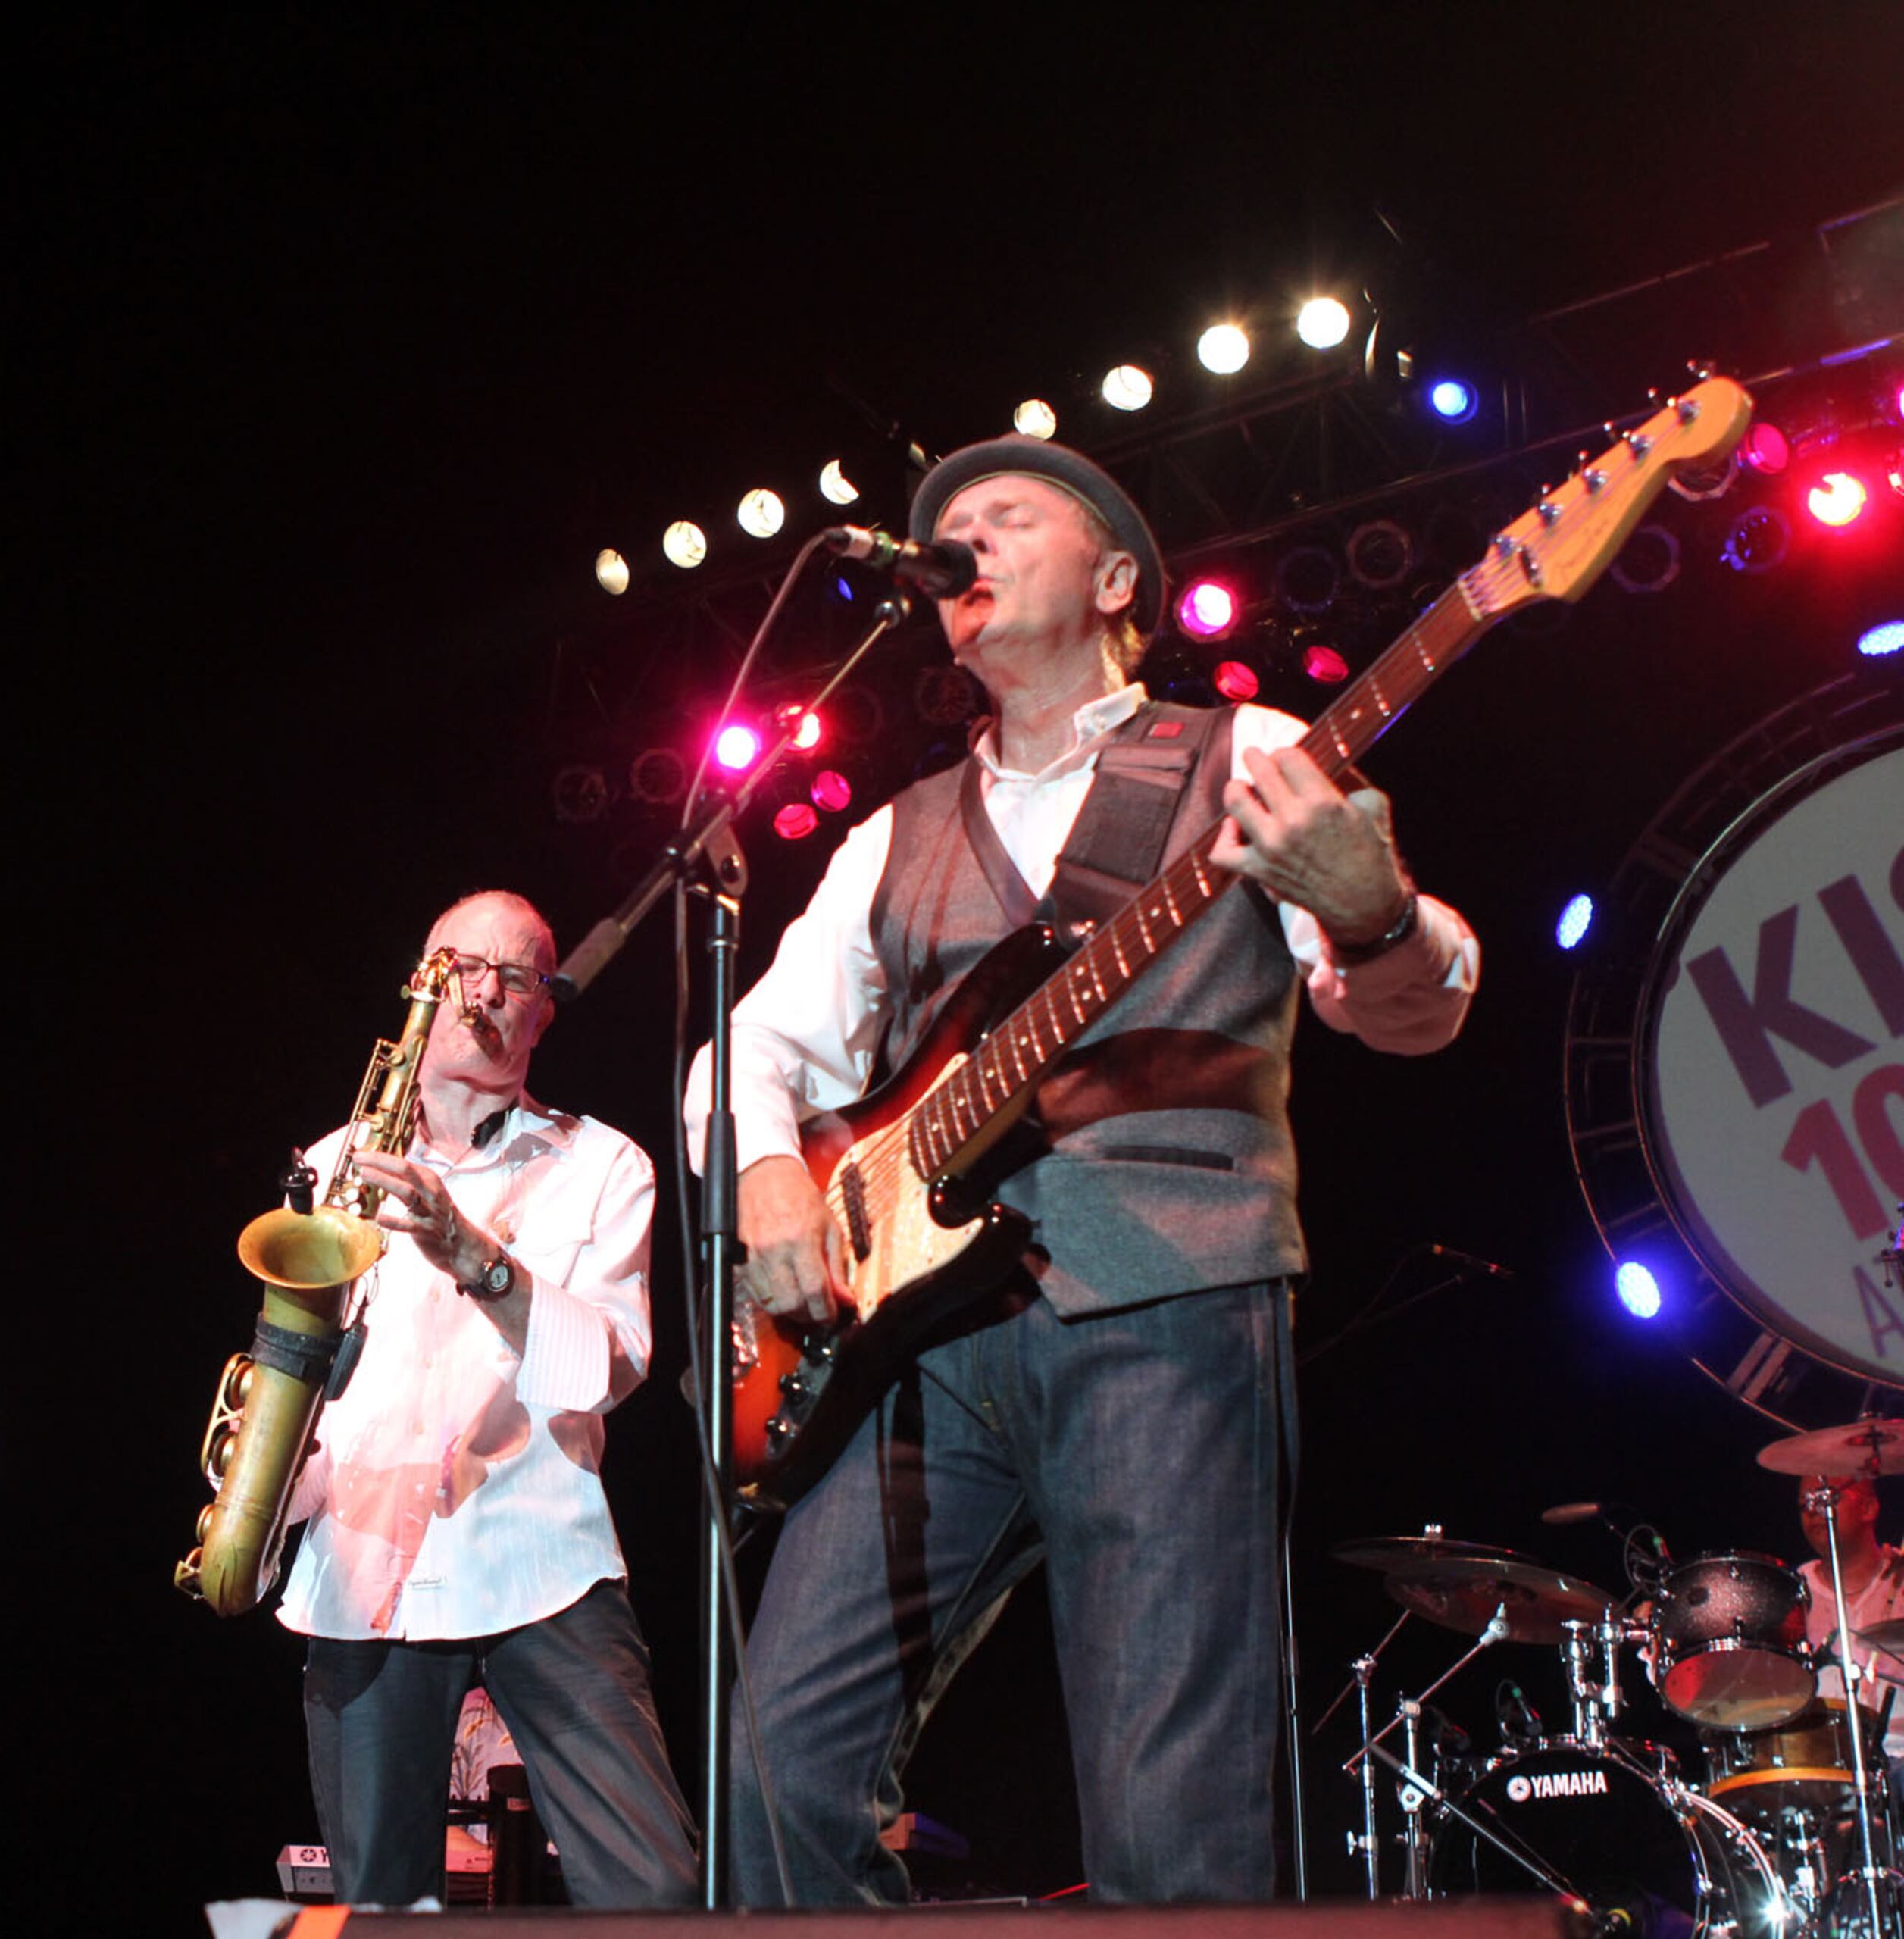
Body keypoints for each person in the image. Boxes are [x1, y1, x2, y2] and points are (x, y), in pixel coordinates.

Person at [686, 437, 1479, 1904]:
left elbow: (1418, 1010)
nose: (961, 548)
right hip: (920, 1347)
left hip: (1169, 1295)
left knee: (1170, 1806)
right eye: (944, 535)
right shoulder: (889, 836)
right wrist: (767, 1176)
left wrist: (1377, 919)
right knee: (777, 1769)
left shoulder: (1250, 756)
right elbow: (748, 1050)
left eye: (1002, 519)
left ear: (1118, 579)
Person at [278, 890, 700, 1908]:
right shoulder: (331, 1163)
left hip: (540, 1558)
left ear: (544, 1010)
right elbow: (311, 1374)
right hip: (362, 1566)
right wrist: (265, 1471)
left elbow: (604, 1368)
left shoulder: (605, 1163)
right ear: (420, 987)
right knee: (381, 1907)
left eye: (517, 976)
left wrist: (466, 1247)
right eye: (462, 967)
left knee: (654, 1889)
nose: (486, 994)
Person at [1796, 1470, 1904, 1787]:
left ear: (1869, 1508)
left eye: (1827, 1498)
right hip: (1822, 1773)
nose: (1813, 1510)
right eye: (1805, 1503)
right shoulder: (1790, 1597)